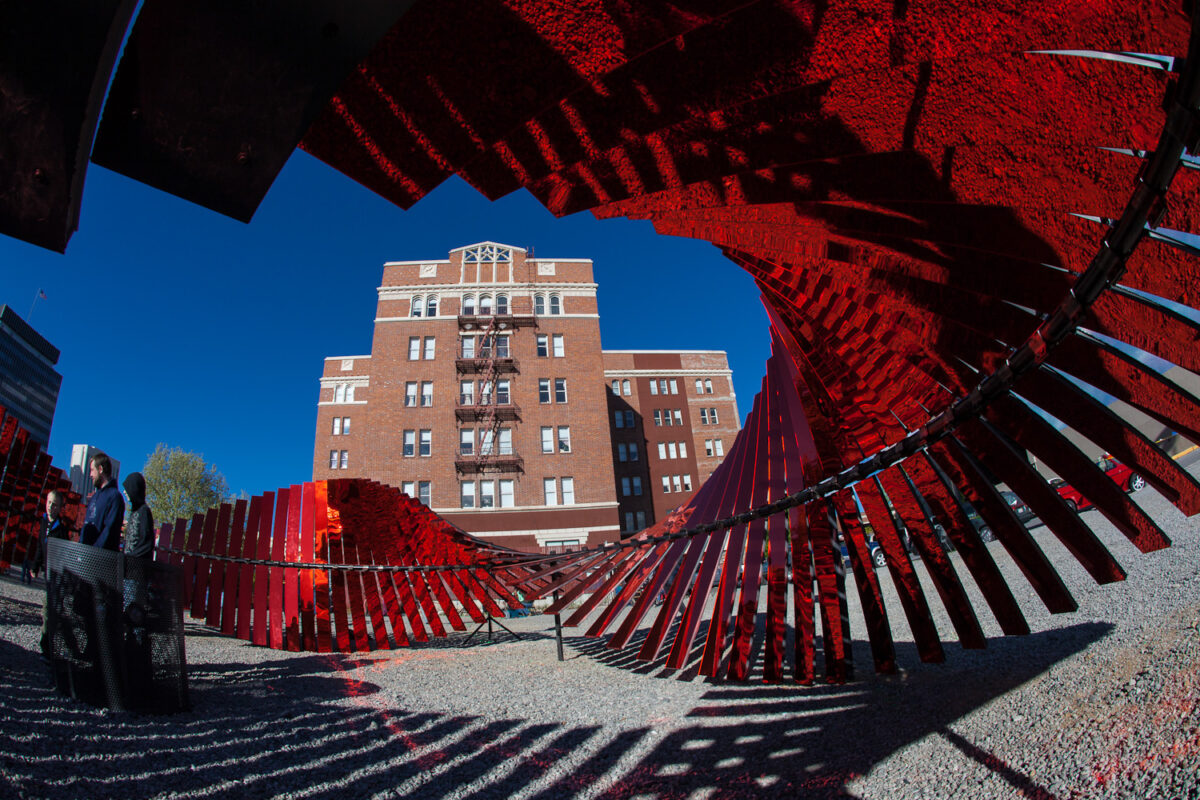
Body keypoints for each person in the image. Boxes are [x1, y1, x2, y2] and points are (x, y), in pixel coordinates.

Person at [80, 452, 124, 550]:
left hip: (100, 558)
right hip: (85, 555)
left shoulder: (115, 497)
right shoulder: (94, 497)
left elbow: (109, 530)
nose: (90, 475)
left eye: (92, 470)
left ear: (100, 469)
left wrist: (94, 552)